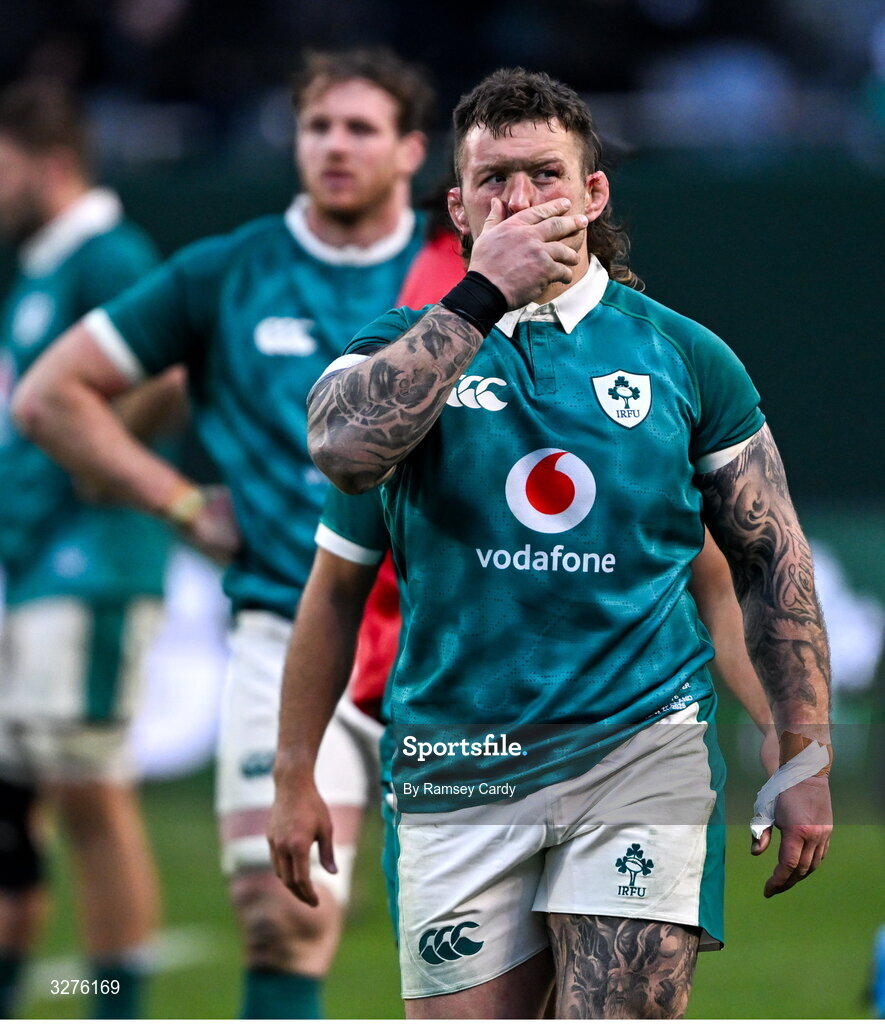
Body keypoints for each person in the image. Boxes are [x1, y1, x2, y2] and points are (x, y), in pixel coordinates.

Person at [301, 68, 833, 1018]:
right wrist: (481, 297)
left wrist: (799, 750)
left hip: (639, 750)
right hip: (455, 759)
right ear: (457, 207)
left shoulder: (683, 355)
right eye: (494, 181)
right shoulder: (397, 350)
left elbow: (771, 561)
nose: (520, 201)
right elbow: (343, 452)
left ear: (594, 194)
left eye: (545, 175)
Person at [12, 49, 434, 1019]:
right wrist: (181, 501)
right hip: (287, 627)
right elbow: (51, 397)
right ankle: (109, 1005)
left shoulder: (458, 272)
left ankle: (107, 995)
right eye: (318, 125)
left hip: (447, 638)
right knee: (280, 912)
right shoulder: (228, 269)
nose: (335, 145)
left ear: (411, 149)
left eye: (361, 127)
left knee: (474, 938)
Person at [0, 79, 175, 1018]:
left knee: (90, 795)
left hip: (93, 562)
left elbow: (173, 370)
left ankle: (111, 1005)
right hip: (30, 564)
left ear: (49, 162)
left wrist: (102, 465)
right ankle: (26, 995)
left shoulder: (110, 255)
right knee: (21, 801)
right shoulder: (40, 269)